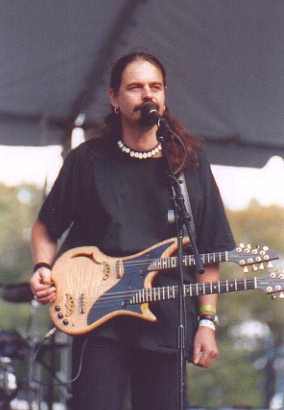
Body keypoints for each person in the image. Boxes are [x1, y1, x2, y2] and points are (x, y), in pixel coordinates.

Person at [29, 52, 235, 410]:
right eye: (135, 87)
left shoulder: (189, 163)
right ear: (114, 98)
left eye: (155, 87)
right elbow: (46, 228)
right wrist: (41, 268)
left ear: (165, 96)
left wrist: (207, 322)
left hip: (168, 320)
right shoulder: (87, 159)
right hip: (99, 318)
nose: (147, 95)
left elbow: (209, 252)